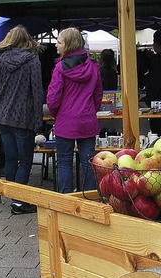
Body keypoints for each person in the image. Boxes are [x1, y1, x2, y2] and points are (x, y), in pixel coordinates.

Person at [0, 25, 44, 215]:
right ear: (26, 39)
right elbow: (37, 92)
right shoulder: (33, 61)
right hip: (23, 117)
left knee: (11, 160)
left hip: (3, 116)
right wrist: (39, 121)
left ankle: (14, 198)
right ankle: (20, 202)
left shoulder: (2, 59)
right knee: (25, 160)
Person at [47, 27, 102, 194]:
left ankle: (66, 200)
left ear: (68, 45)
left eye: (59, 42)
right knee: (88, 163)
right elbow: (97, 95)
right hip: (87, 121)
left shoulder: (60, 69)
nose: (56, 45)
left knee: (64, 162)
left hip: (66, 121)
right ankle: (90, 200)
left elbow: (53, 97)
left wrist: (56, 114)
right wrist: (91, 111)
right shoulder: (93, 67)